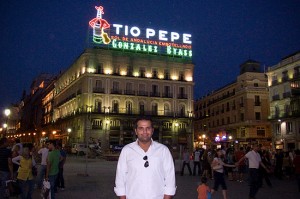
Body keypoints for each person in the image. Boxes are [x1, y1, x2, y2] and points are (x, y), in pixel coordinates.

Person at [114, 116, 176, 199]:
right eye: (141, 128)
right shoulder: (127, 150)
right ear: (136, 131)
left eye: (148, 128)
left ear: (152, 130)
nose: (145, 131)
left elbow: (170, 177)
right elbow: (120, 177)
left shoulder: (163, 150)